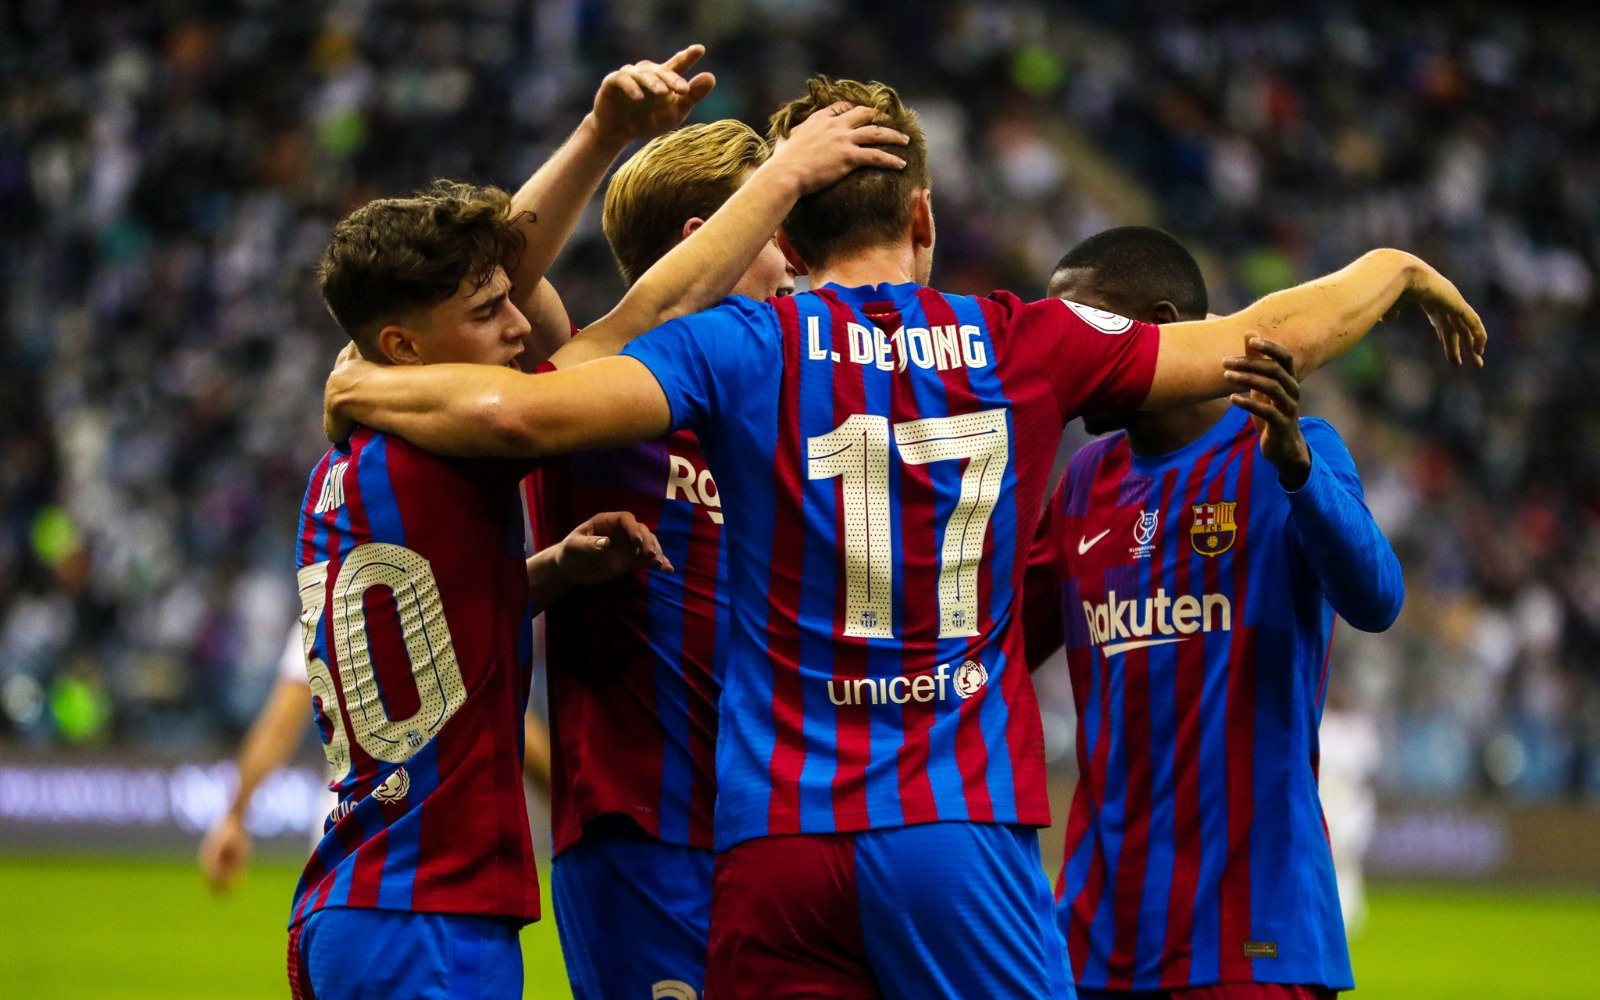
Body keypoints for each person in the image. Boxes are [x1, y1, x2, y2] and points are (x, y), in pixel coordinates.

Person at [321, 77, 1483, 999]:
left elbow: (518, 401)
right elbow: (1264, 336)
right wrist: (1392, 265)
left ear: (787, 216)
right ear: (923, 215)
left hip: (774, 839)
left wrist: (368, 383)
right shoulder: (1021, 338)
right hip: (951, 825)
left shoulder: (736, 345)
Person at [287, 61, 904, 1000]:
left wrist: (541, 574)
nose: (516, 326)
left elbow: (435, 615)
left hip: (376, 890)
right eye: (490, 313)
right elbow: (635, 315)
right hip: (484, 890)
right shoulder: (499, 435)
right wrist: (770, 171)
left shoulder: (364, 466)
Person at [1022, 226, 1404, 999]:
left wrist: (1296, 470)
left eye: (1084, 324)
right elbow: (988, 642)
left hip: (1252, 935)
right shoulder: (1084, 482)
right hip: (1096, 936)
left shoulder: (1290, 448)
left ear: (1162, 325)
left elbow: (1377, 598)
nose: (1063, 351)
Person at [526, 120, 795, 1000]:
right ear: (709, 243)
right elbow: (502, 274)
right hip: (644, 829)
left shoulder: (775, 397)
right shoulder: (600, 392)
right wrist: (602, 134)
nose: (793, 260)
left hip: (773, 831)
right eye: (775, 228)